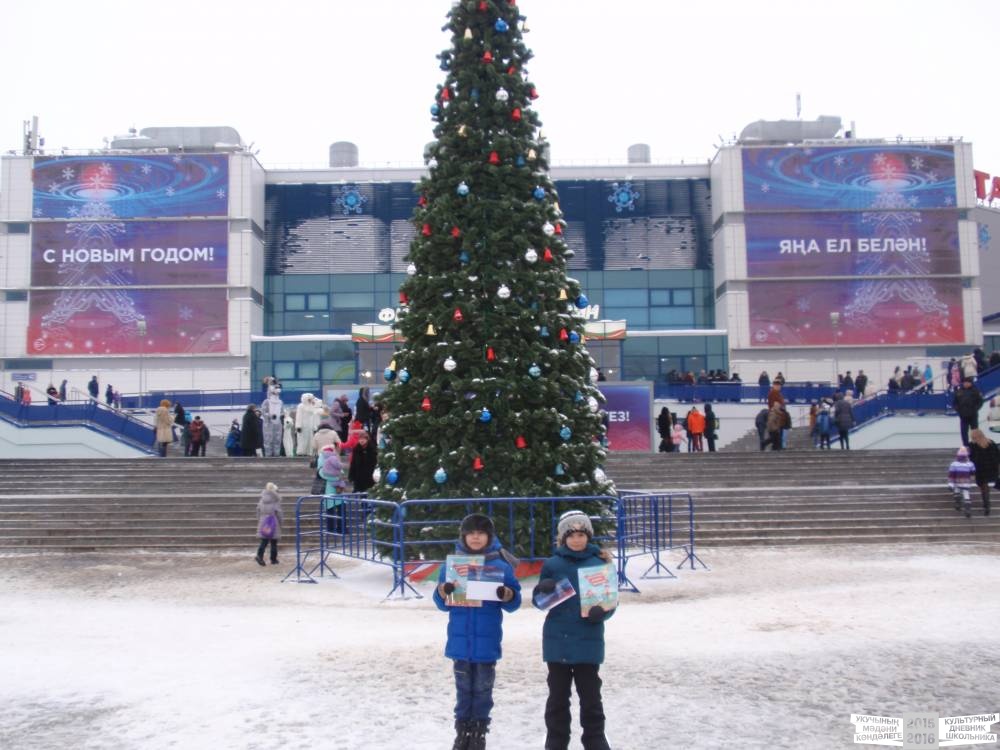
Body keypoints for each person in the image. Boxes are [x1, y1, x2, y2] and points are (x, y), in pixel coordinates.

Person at [434, 513, 521, 750]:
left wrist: (508, 594)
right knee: (463, 690)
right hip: (460, 645)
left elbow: (514, 602)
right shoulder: (453, 565)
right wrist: (443, 591)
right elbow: (441, 603)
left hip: (486, 644)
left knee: (483, 690)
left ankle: (479, 733)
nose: (475, 537)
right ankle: (462, 733)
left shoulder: (500, 566)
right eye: (470, 532)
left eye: (480, 533)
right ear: (463, 536)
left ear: (489, 537)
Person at [532, 510, 615, 750]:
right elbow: (539, 603)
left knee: (590, 697)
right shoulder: (552, 564)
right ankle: (556, 741)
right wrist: (543, 591)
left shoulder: (599, 563)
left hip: (587, 641)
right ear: (562, 538)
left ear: (588, 536)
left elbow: (610, 601)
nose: (577, 539)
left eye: (581, 534)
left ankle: (595, 738)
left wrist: (604, 612)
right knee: (557, 698)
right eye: (572, 535)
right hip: (557, 643)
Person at [968, 430, 998, 516]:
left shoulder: (972, 445)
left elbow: (971, 458)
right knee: (985, 486)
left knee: (983, 486)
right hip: (991, 468)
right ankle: (986, 504)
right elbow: (997, 455)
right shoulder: (991, 442)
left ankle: (986, 504)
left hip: (980, 468)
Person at [255, 482, 284, 565]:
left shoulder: (262, 499)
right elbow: (279, 513)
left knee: (263, 541)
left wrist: (260, 520)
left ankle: (259, 556)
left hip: (263, 521)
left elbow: (257, 510)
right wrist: (281, 522)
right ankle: (273, 559)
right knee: (274, 542)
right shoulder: (275, 500)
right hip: (273, 521)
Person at [953, 376, 984, 447]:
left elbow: (980, 401)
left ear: (971, 383)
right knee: (964, 432)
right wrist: (959, 410)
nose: (966, 384)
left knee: (975, 431)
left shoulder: (975, 391)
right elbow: (955, 403)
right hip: (963, 415)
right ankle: (966, 446)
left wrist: (975, 408)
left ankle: (976, 445)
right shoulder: (959, 391)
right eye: (964, 382)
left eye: (967, 382)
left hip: (973, 415)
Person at [947, 446, 976, 519]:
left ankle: (958, 503)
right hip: (966, 482)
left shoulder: (954, 464)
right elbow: (973, 473)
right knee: (966, 495)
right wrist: (972, 478)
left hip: (957, 482)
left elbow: (951, 475)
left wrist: (950, 484)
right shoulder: (970, 464)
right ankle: (967, 510)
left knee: (957, 492)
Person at [260, 385, 284, 457]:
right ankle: (268, 455)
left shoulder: (280, 402)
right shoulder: (266, 402)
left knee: (277, 439)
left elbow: (282, 411)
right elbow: (263, 412)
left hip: (277, 423)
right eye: (274, 393)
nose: (276, 394)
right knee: (268, 439)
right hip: (268, 424)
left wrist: (281, 415)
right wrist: (270, 415)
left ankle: (276, 454)